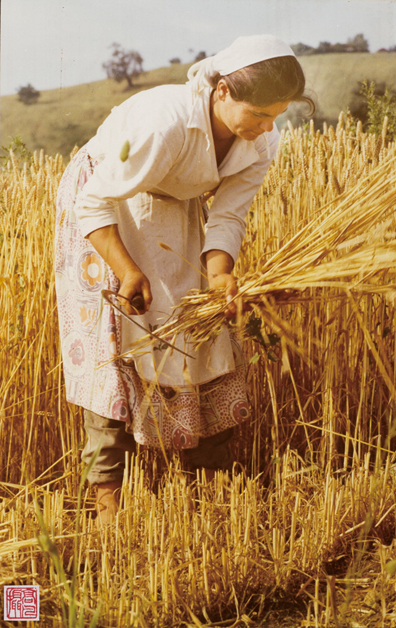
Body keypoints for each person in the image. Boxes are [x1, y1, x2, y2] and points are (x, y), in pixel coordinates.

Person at [55, 34, 313, 522]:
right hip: (103, 211)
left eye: (276, 115)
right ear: (221, 93)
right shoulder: (165, 122)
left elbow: (229, 216)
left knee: (199, 334)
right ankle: (107, 502)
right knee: (113, 349)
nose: (268, 126)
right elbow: (94, 199)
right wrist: (126, 269)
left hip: (176, 213)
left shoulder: (261, 140)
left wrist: (219, 277)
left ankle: (208, 483)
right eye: (259, 114)